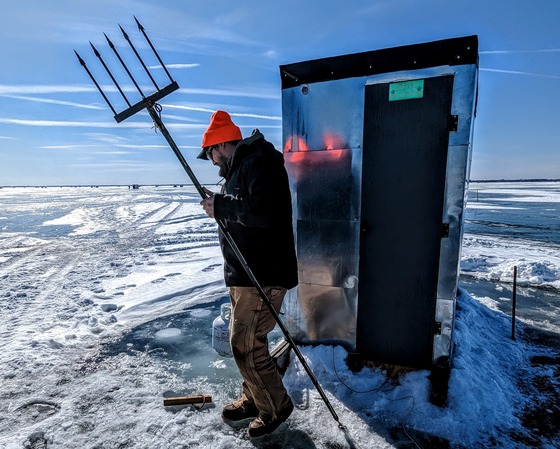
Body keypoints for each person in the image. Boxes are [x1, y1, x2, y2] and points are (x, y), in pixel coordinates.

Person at [198, 110, 298, 438]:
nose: (212, 160)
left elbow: (264, 212)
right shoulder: (241, 167)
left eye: (211, 151)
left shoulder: (260, 161)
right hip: (245, 274)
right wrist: (223, 206)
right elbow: (245, 211)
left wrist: (222, 207)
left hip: (262, 274)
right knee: (243, 342)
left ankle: (274, 406)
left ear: (223, 144)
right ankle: (255, 397)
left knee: (246, 345)